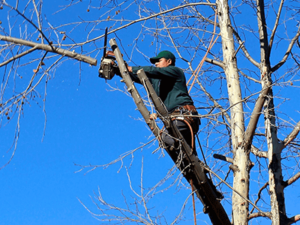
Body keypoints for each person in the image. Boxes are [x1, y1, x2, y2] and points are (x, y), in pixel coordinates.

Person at [124, 50, 200, 153]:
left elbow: (154, 71)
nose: (156, 64)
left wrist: (131, 68)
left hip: (184, 115)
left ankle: (187, 156)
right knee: (183, 154)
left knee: (165, 138)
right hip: (174, 119)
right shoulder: (156, 80)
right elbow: (138, 76)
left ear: (169, 61)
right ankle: (192, 164)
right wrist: (120, 69)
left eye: (159, 61)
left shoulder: (175, 71)